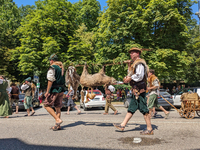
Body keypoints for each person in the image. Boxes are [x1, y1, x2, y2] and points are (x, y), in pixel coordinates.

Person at [113, 47, 153, 135]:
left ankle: (149, 129)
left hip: (140, 89)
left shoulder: (140, 63)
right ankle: (122, 125)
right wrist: (128, 71)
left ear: (138, 53)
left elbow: (139, 76)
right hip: (136, 89)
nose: (131, 54)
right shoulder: (134, 64)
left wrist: (130, 78)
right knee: (131, 108)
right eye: (130, 53)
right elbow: (131, 73)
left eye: (133, 52)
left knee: (144, 109)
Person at [43, 53, 65, 131]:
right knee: (58, 107)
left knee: (46, 105)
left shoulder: (52, 67)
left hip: (54, 89)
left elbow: (50, 80)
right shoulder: (61, 68)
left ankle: (57, 119)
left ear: (51, 60)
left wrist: (47, 91)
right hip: (61, 89)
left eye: (50, 60)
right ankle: (57, 125)